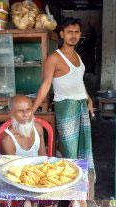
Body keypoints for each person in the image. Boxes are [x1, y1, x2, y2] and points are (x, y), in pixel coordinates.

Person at [31, 18, 95, 179]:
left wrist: (89, 99)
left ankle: (82, 179)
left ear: (80, 34)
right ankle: (68, 181)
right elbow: (46, 85)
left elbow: (78, 81)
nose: (73, 36)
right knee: (69, 149)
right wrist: (32, 111)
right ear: (62, 34)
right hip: (66, 107)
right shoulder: (54, 58)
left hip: (81, 105)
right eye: (69, 32)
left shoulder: (77, 56)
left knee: (84, 145)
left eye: (76, 32)